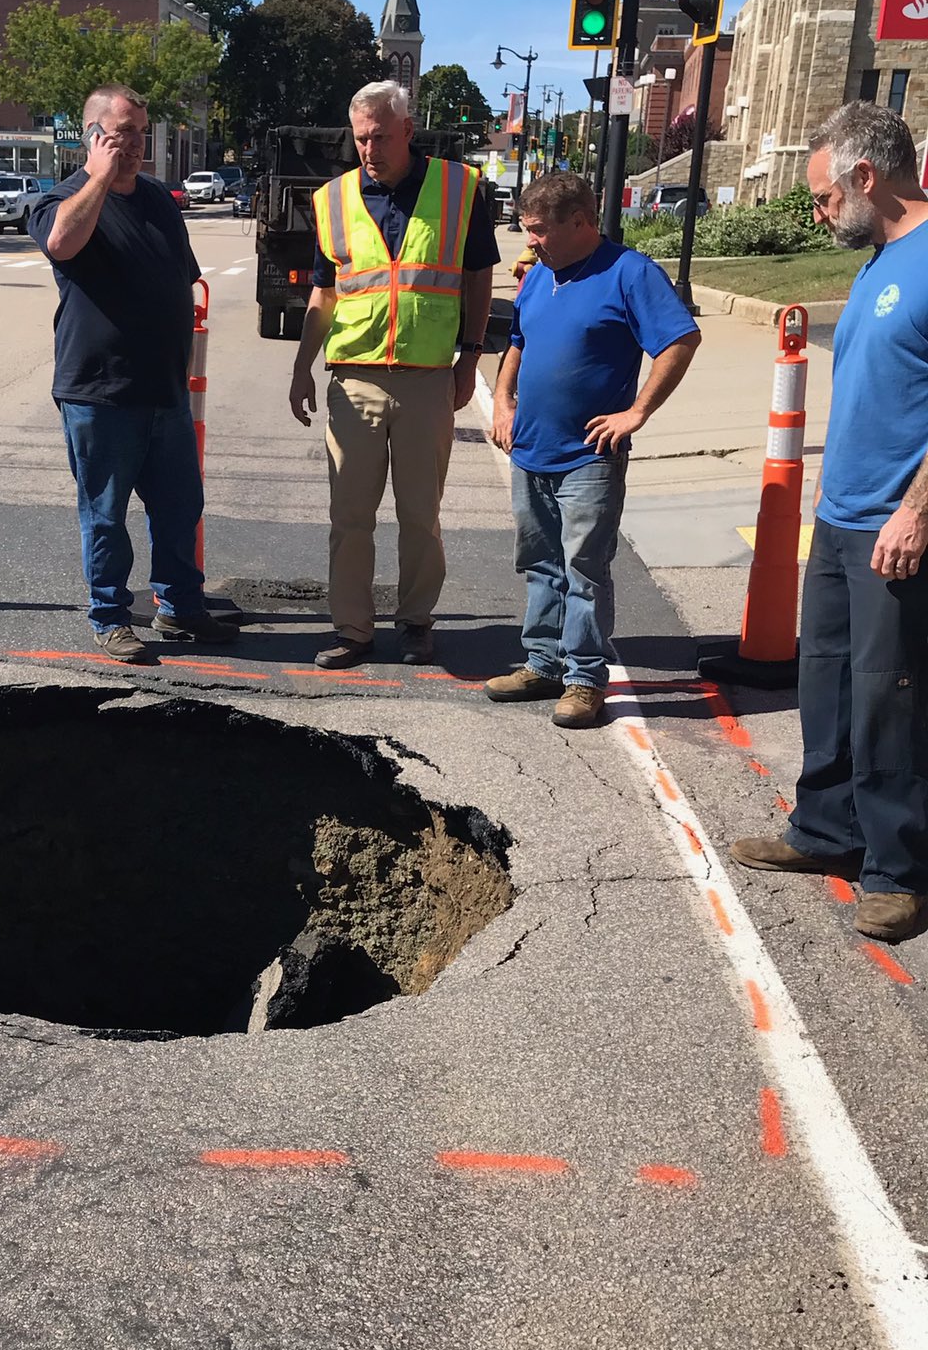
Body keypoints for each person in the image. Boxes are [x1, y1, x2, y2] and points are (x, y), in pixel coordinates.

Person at [731, 102, 928, 944]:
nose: (817, 213)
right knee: (831, 682)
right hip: (843, 517)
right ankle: (826, 831)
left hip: (897, 524)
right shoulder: (882, 263)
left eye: (820, 197)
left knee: (891, 699)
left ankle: (896, 869)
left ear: (865, 177)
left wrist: (916, 512)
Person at [289, 81, 499, 669]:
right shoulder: (333, 199)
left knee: (419, 514)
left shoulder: (459, 189)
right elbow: (323, 295)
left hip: (427, 377)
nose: (368, 148)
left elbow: (478, 276)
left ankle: (416, 622)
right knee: (349, 516)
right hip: (353, 379)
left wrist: (470, 356)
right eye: (360, 138)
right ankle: (353, 629)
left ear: (408, 129)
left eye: (379, 136)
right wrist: (302, 366)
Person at [486, 170, 700, 727]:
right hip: (530, 448)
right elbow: (519, 342)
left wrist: (637, 412)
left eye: (538, 230)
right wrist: (503, 402)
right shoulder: (539, 275)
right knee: (540, 563)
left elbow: (680, 340)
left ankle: (583, 679)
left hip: (587, 456)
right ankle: (542, 663)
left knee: (584, 568)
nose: (528, 239)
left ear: (580, 221)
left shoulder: (629, 273)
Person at [28, 83, 232, 664]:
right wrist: (98, 177)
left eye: (141, 132)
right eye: (123, 134)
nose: (136, 145)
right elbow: (63, 245)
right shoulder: (60, 200)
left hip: (163, 387)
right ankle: (111, 617)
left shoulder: (158, 200)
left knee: (178, 507)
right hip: (99, 392)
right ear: (93, 137)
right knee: (106, 516)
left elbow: (182, 275)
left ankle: (181, 607)